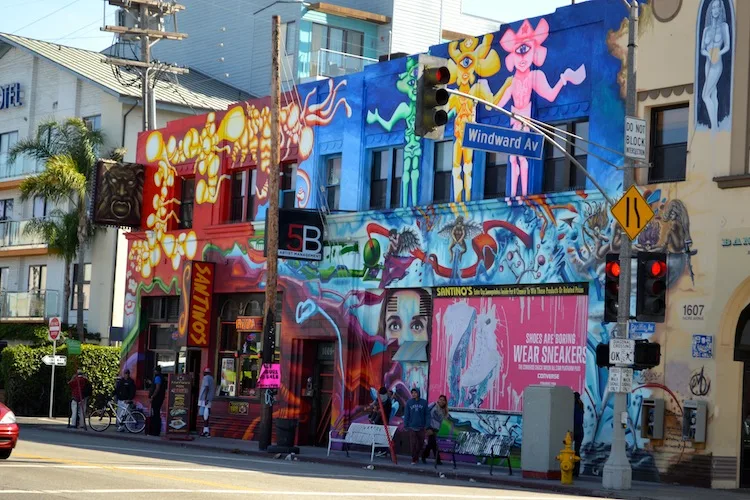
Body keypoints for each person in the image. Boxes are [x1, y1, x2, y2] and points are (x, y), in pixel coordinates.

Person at [403, 388, 429, 465]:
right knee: (413, 443)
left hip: (421, 427)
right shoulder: (409, 402)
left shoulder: (424, 402)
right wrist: (406, 424)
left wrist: (427, 424)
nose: (414, 394)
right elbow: (406, 414)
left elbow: (427, 414)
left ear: (418, 393)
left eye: (415, 392)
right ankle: (414, 458)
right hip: (412, 426)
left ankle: (417, 455)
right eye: (412, 393)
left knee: (420, 443)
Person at [422, 394, 449, 465]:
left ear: (445, 402)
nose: (442, 401)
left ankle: (425, 456)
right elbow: (426, 411)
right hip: (430, 426)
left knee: (432, 444)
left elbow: (441, 420)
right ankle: (436, 459)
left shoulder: (444, 410)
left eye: (443, 400)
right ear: (438, 400)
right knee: (433, 443)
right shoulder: (433, 405)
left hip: (436, 428)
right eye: (440, 399)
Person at [148, 366, 166, 436]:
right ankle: (156, 430)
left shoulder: (158, 377)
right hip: (160, 397)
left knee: (156, 414)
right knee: (156, 413)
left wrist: (152, 396)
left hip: (157, 398)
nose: (154, 372)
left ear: (157, 371)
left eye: (155, 371)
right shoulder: (161, 377)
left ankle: (155, 431)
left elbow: (157, 388)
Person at [198, 367, 215, 438]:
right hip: (208, 399)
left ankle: (206, 431)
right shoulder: (211, 378)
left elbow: (207, 387)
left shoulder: (206, 378)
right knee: (206, 415)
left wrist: (205, 398)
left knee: (203, 415)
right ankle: (206, 430)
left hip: (204, 399)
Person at [573, 392, 585, 477]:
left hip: (574, 431)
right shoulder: (581, 406)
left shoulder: (574, 407)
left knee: (570, 451)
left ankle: (573, 470)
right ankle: (576, 471)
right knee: (577, 451)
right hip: (580, 431)